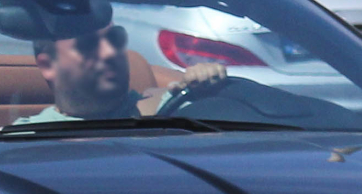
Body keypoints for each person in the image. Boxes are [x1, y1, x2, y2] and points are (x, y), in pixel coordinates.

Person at [12, 19, 226, 125]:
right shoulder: (23, 141)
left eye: (115, 40)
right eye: (88, 46)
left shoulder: (173, 109)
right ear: (49, 66)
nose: (109, 53)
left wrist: (212, 88)